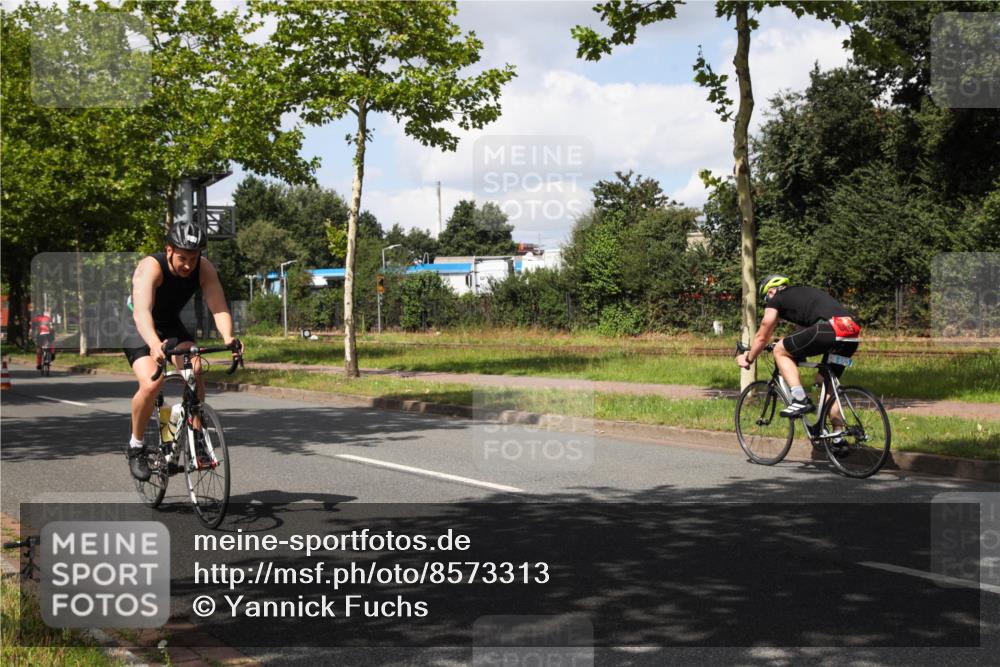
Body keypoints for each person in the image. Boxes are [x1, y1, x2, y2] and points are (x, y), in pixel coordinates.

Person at [122, 221, 243, 481]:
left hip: (171, 325)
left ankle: (196, 434)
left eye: (194, 257)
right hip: (138, 327)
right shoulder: (150, 267)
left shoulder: (204, 268)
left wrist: (228, 337)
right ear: (168, 250)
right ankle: (136, 446)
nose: (188, 265)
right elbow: (142, 312)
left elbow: (218, 307)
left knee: (195, 367)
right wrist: (154, 344)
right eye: (182, 258)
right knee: (151, 383)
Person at [735, 275, 861, 420]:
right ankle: (838, 436)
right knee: (825, 384)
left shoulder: (777, 298)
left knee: (779, 351)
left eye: (766, 300)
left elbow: (763, 334)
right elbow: (801, 334)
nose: (768, 303)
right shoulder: (803, 294)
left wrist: (749, 358)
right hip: (851, 332)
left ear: (770, 292)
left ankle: (800, 399)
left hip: (828, 329)